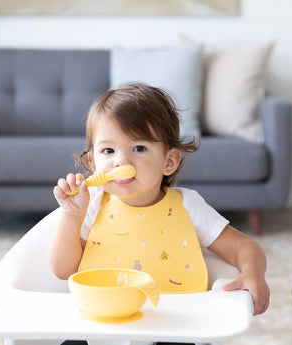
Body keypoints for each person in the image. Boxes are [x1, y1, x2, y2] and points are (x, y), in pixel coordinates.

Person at [49, 82, 270, 318]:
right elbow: (64, 271)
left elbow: (244, 247)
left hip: (176, 321)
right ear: (93, 163)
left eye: (139, 148)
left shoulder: (188, 206)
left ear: (169, 162)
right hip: (104, 318)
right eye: (108, 151)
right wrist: (72, 216)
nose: (121, 162)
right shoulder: (90, 204)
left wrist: (252, 273)